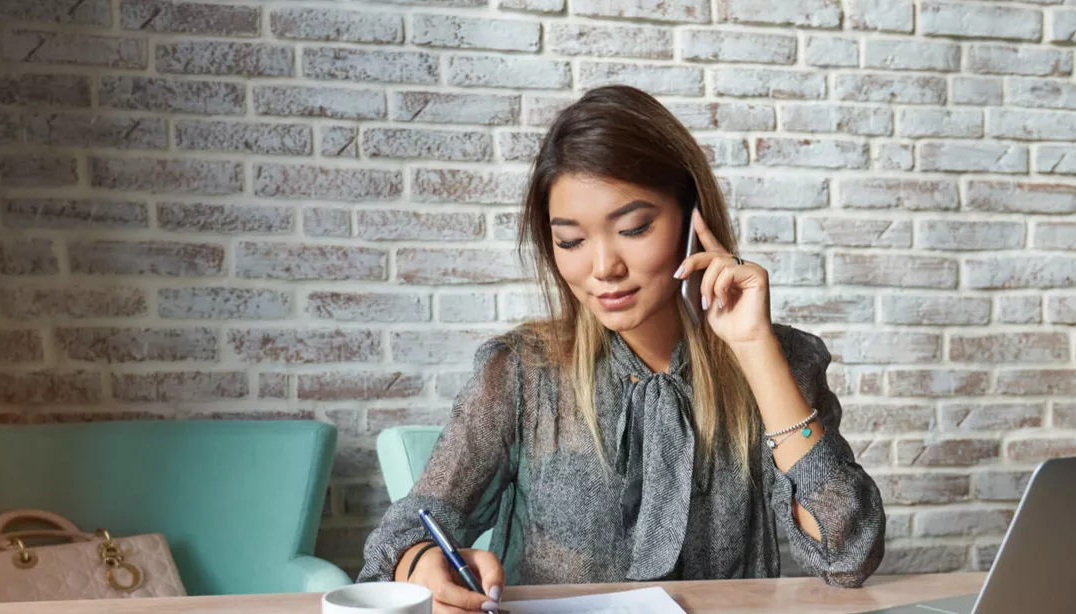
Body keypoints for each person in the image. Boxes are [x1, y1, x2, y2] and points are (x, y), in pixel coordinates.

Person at [358, 85, 885, 614]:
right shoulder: (520, 370)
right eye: (570, 241)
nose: (603, 267)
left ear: (689, 218)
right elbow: (404, 532)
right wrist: (423, 563)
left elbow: (849, 554)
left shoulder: (778, 359)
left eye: (633, 227)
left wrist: (754, 349)